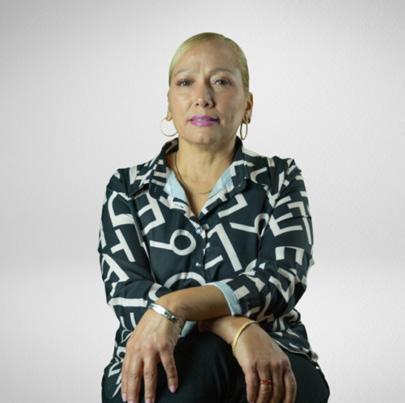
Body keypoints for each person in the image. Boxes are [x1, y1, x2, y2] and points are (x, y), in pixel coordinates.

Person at [97, 32, 330, 403]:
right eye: (185, 82)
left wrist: (174, 307)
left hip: (271, 349)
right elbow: (127, 295)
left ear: (248, 105)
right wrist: (233, 327)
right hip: (152, 358)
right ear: (169, 104)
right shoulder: (127, 188)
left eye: (220, 82)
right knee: (194, 372)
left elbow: (280, 279)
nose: (202, 96)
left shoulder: (279, 179)